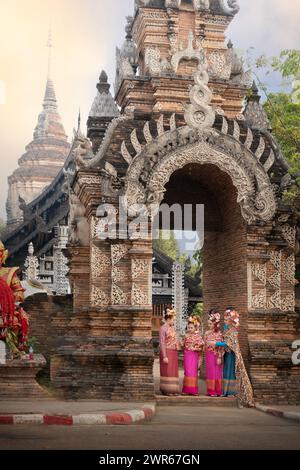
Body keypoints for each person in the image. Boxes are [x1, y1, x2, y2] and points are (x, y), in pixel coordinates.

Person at [216, 308, 255, 408]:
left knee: (231, 372)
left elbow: (230, 343)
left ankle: (232, 392)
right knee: (226, 372)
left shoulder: (233, 330)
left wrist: (216, 343)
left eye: (226, 319)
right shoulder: (227, 329)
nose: (224, 321)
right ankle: (225, 391)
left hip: (233, 355)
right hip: (227, 354)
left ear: (230, 319)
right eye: (224, 319)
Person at [182, 316, 204, 396]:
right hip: (187, 356)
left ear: (195, 327)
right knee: (187, 372)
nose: (189, 329)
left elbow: (201, 347)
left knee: (193, 373)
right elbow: (183, 345)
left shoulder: (198, 336)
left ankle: (193, 390)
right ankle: (186, 390)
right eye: (188, 327)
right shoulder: (186, 335)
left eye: (191, 327)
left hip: (194, 356)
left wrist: (194, 348)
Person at [159, 308, 180, 396]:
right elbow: (162, 342)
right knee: (167, 371)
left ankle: (173, 389)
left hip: (173, 352)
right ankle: (166, 390)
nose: (173, 321)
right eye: (173, 319)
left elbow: (174, 339)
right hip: (167, 352)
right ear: (168, 319)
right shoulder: (163, 328)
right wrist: (164, 356)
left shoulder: (172, 328)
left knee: (173, 371)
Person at [204, 309, 224, 397]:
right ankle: (211, 391)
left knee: (217, 373)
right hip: (209, 355)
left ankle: (218, 391)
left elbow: (221, 347)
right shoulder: (206, 333)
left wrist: (220, 357)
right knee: (210, 372)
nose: (209, 325)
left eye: (210, 324)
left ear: (215, 324)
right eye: (208, 324)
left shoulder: (219, 334)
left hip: (216, 355)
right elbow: (204, 344)